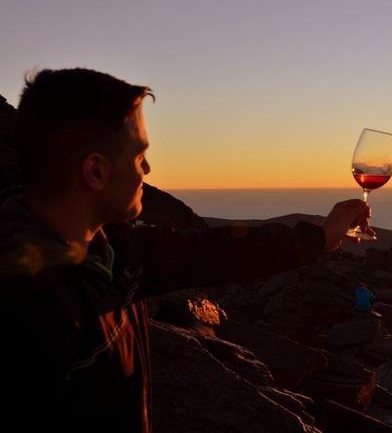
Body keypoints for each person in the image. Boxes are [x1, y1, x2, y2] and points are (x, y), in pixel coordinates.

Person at [0, 68, 371, 433]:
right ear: (95, 171)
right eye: (138, 155)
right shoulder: (30, 309)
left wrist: (320, 237)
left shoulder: (112, 246)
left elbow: (212, 252)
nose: (148, 167)